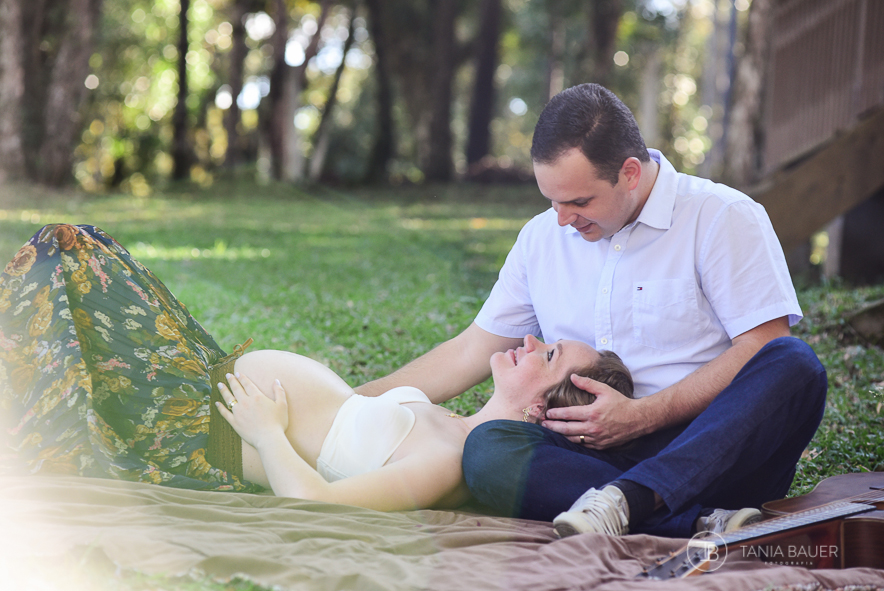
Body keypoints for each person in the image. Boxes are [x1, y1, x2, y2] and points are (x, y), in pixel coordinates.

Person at [355, 83, 827, 538]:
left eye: (579, 201)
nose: (562, 219)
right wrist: (349, 405)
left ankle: (630, 502)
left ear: (630, 173)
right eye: (553, 201)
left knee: (795, 363)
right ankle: (693, 521)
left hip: (709, 450)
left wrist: (642, 416)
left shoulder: (722, 215)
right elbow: (470, 351)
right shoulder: (542, 238)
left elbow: (763, 342)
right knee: (488, 449)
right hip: (586, 463)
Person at [0, 223, 630, 512]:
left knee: (68, 259)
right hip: (203, 372)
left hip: (197, 423)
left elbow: (320, 504)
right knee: (80, 255)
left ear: (542, 408)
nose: (528, 339)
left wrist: (269, 430)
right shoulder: (454, 422)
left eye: (546, 354)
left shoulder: (449, 464)